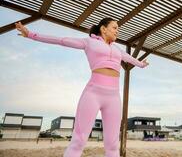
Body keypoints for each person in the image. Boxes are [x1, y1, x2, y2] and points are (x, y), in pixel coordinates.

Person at [15, 18, 149, 157]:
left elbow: (131, 59)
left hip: (114, 97)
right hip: (93, 94)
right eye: (115, 28)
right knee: (78, 141)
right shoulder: (88, 42)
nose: (117, 31)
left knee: (113, 145)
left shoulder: (117, 49)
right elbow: (61, 40)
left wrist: (141, 64)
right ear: (104, 29)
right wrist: (31, 34)